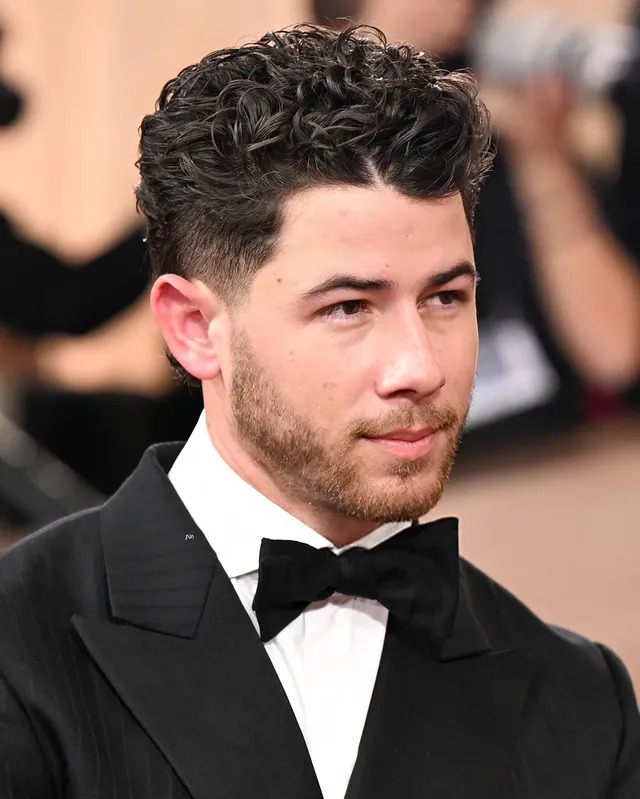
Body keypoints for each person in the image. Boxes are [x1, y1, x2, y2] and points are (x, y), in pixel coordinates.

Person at [0, 25, 638, 799]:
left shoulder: (583, 700)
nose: (420, 367)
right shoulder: (17, 644)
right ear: (194, 328)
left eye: (446, 298)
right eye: (348, 307)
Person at [342, 0, 640, 442]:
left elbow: (615, 355)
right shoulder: (318, 169)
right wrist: (372, 65)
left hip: (551, 452)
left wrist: (543, 160)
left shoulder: (508, 145)